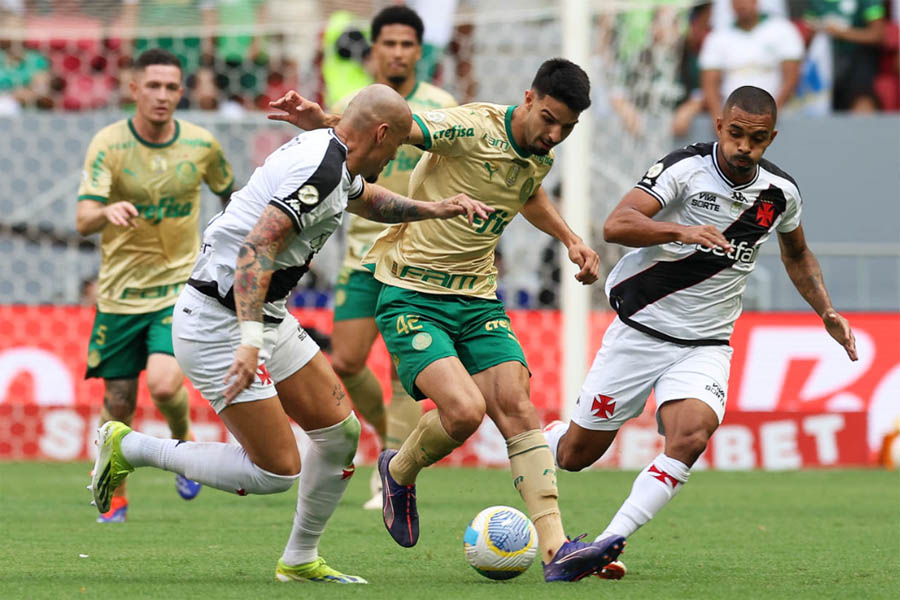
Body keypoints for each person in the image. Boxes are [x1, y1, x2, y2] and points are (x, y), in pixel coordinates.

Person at [89, 83, 492, 584]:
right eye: (399, 146)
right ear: (382, 134)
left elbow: (368, 200)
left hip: (262, 314)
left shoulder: (336, 157)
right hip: (222, 321)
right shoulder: (322, 166)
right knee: (276, 471)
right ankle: (131, 448)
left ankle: (300, 560)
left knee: (338, 434)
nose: (398, 157)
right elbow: (256, 248)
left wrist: (432, 209)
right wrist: (250, 340)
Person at [268, 58, 626, 582]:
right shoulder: (469, 126)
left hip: (478, 299)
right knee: (463, 412)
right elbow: (392, 128)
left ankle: (557, 550)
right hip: (412, 294)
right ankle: (398, 468)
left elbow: (525, 190)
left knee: (518, 408)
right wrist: (325, 122)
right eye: (548, 119)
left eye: (566, 128)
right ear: (528, 98)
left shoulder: (537, 153)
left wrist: (571, 238)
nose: (554, 135)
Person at [544, 86, 858, 576]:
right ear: (719, 126)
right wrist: (682, 231)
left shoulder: (779, 194)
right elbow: (617, 224)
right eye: (735, 134)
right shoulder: (683, 169)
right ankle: (541, 442)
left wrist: (826, 310)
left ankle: (606, 542)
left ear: (771, 138)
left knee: (690, 437)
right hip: (641, 327)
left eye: (756, 139)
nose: (743, 147)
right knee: (575, 456)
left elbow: (796, 254)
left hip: (706, 344)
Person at [75, 48, 235, 523]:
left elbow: (235, 196)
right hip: (120, 295)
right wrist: (106, 211)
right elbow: (83, 217)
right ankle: (118, 497)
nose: (163, 96)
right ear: (134, 89)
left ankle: (183, 450)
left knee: (165, 385)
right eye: (154, 86)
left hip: (178, 288)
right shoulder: (108, 144)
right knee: (119, 401)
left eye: (171, 87)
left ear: (181, 92)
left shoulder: (202, 144)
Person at [329, 5, 457, 511]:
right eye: (390, 44)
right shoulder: (350, 105)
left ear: (418, 52)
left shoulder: (442, 106)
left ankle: (388, 470)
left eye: (408, 44)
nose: (399, 52)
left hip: (420, 255)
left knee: (407, 369)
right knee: (347, 359)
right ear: (375, 49)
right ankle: (388, 433)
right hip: (362, 252)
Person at [700, 0, 803, 129]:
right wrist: (717, 116)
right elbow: (710, 82)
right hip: (732, 120)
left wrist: (773, 112)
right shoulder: (717, 37)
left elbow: (791, 76)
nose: (741, 4)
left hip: (778, 119)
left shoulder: (783, 30)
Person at [805, 0, 887, 112]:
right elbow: (807, 32)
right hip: (826, 63)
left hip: (858, 61)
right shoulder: (816, 3)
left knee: (863, 105)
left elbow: (877, 35)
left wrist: (842, 33)